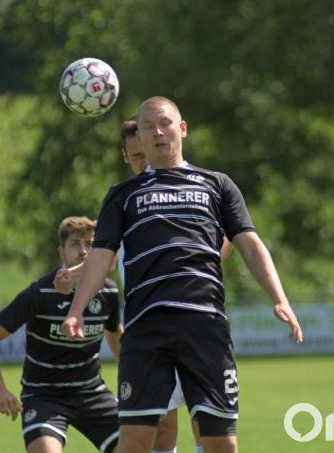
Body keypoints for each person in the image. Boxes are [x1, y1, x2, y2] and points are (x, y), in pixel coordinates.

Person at [60, 97, 303, 453]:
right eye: (147, 127)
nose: (157, 132)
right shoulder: (122, 195)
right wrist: (76, 309)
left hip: (205, 325)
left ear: (182, 128)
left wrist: (279, 299)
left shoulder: (217, 184)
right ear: (139, 139)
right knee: (135, 444)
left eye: (165, 123)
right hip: (146, 329)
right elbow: (101, 255)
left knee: (221, 443)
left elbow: (250, 244)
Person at [55, 118, 234, 453]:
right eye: (137, 155)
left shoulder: (189, 190)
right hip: (147, 321)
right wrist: (75, 275)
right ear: (126, 156)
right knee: (161, 423)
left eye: (146, 152)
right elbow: (106, 256)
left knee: (204, 421)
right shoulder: (127, 199)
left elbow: (228, 237)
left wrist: (195, 264)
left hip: (193, 318)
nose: (144, 160)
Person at [0, 216, 123, 453]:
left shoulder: (109, 291)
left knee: (135, 446)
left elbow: (115, 334)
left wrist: (134, 377)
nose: (83, 251)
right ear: (61, 251)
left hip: (91, 392)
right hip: (43, 396)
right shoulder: (40, 293)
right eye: (75, 244)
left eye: (90, 244)